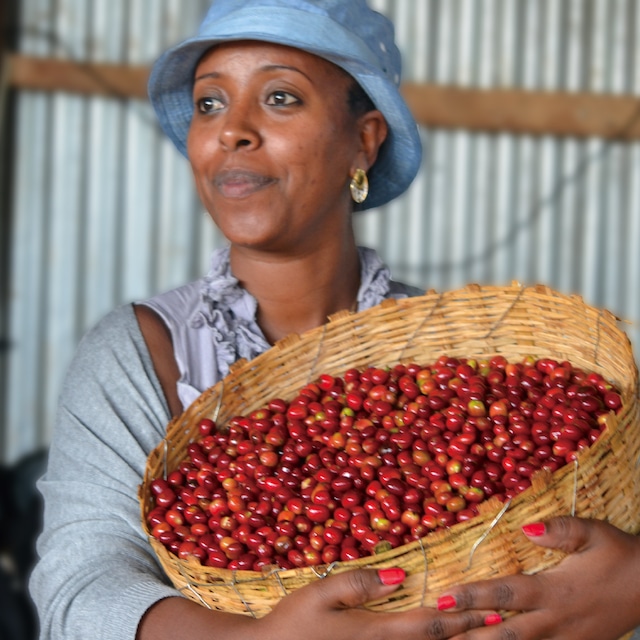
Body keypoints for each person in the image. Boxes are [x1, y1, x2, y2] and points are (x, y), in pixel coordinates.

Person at [29, 1, 640, 639]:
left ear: (364, 140)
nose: (232, 130)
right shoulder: (142, 350)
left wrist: (632, 583)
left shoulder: (458, 355)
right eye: (210, 103)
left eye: (280, 97)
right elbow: (80, 585)